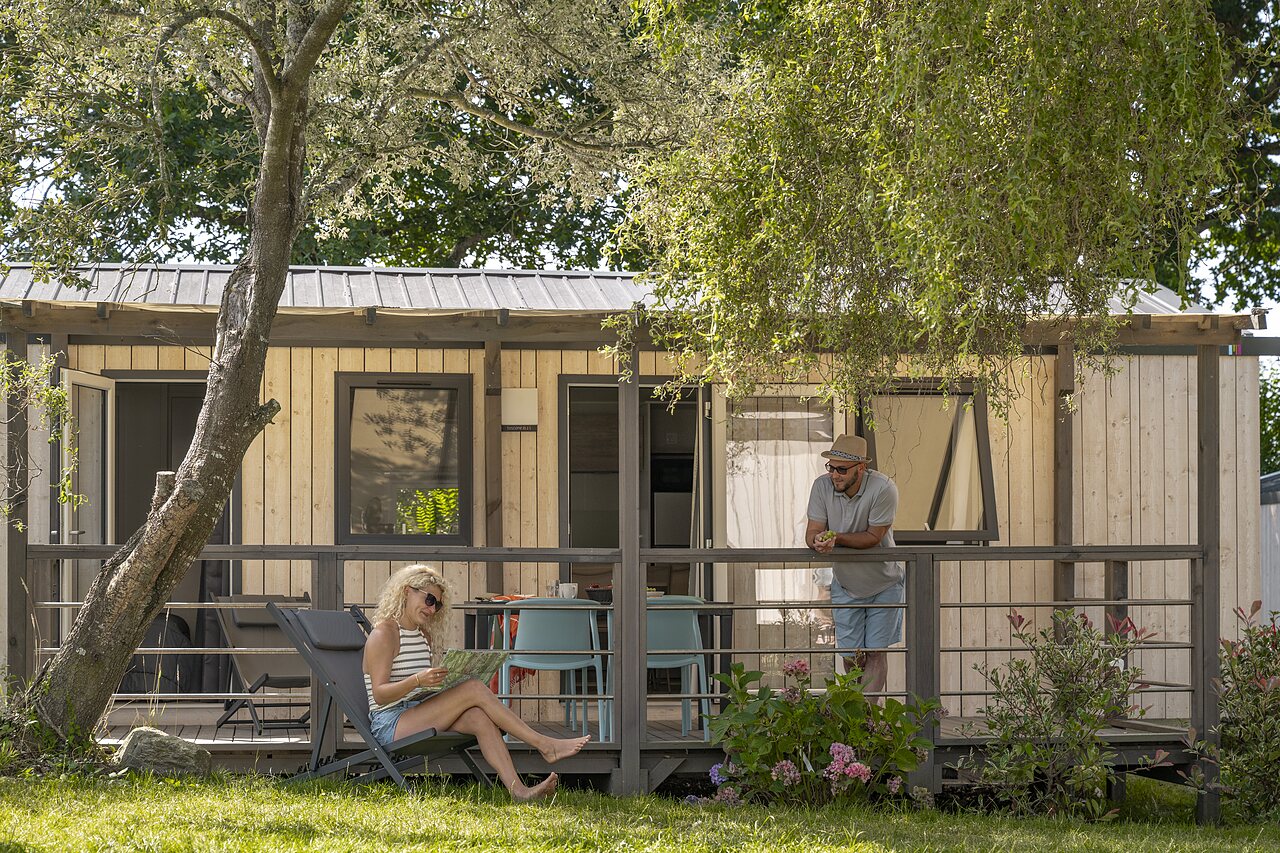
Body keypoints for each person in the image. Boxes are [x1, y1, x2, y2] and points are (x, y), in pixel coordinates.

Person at [363, 564, 589, 801]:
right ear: (407, 591)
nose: (432, 609)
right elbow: (380, 694)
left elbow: (419, 690)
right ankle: (544, 745)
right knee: (473, 688)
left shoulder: (423, 636)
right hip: (390, 723)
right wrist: (418, 679)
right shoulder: (384, 634)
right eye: (429, 599)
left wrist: (443, 681)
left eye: (437, 605)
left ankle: (519, 791)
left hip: (416, 710)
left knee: (478, 716)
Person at [804, 434, 903, 695]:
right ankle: (854, 711)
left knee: (875, 653)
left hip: (884, 583)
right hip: (845, 583)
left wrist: (836, 538)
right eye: (831, 467)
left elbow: (873, 537)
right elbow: (812, 530)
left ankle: (868, 715)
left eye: (841, 469)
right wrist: (817, 541)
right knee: (850, 656)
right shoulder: (821, 486)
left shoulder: (884, 488)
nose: (834, 475)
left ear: (860, 468)